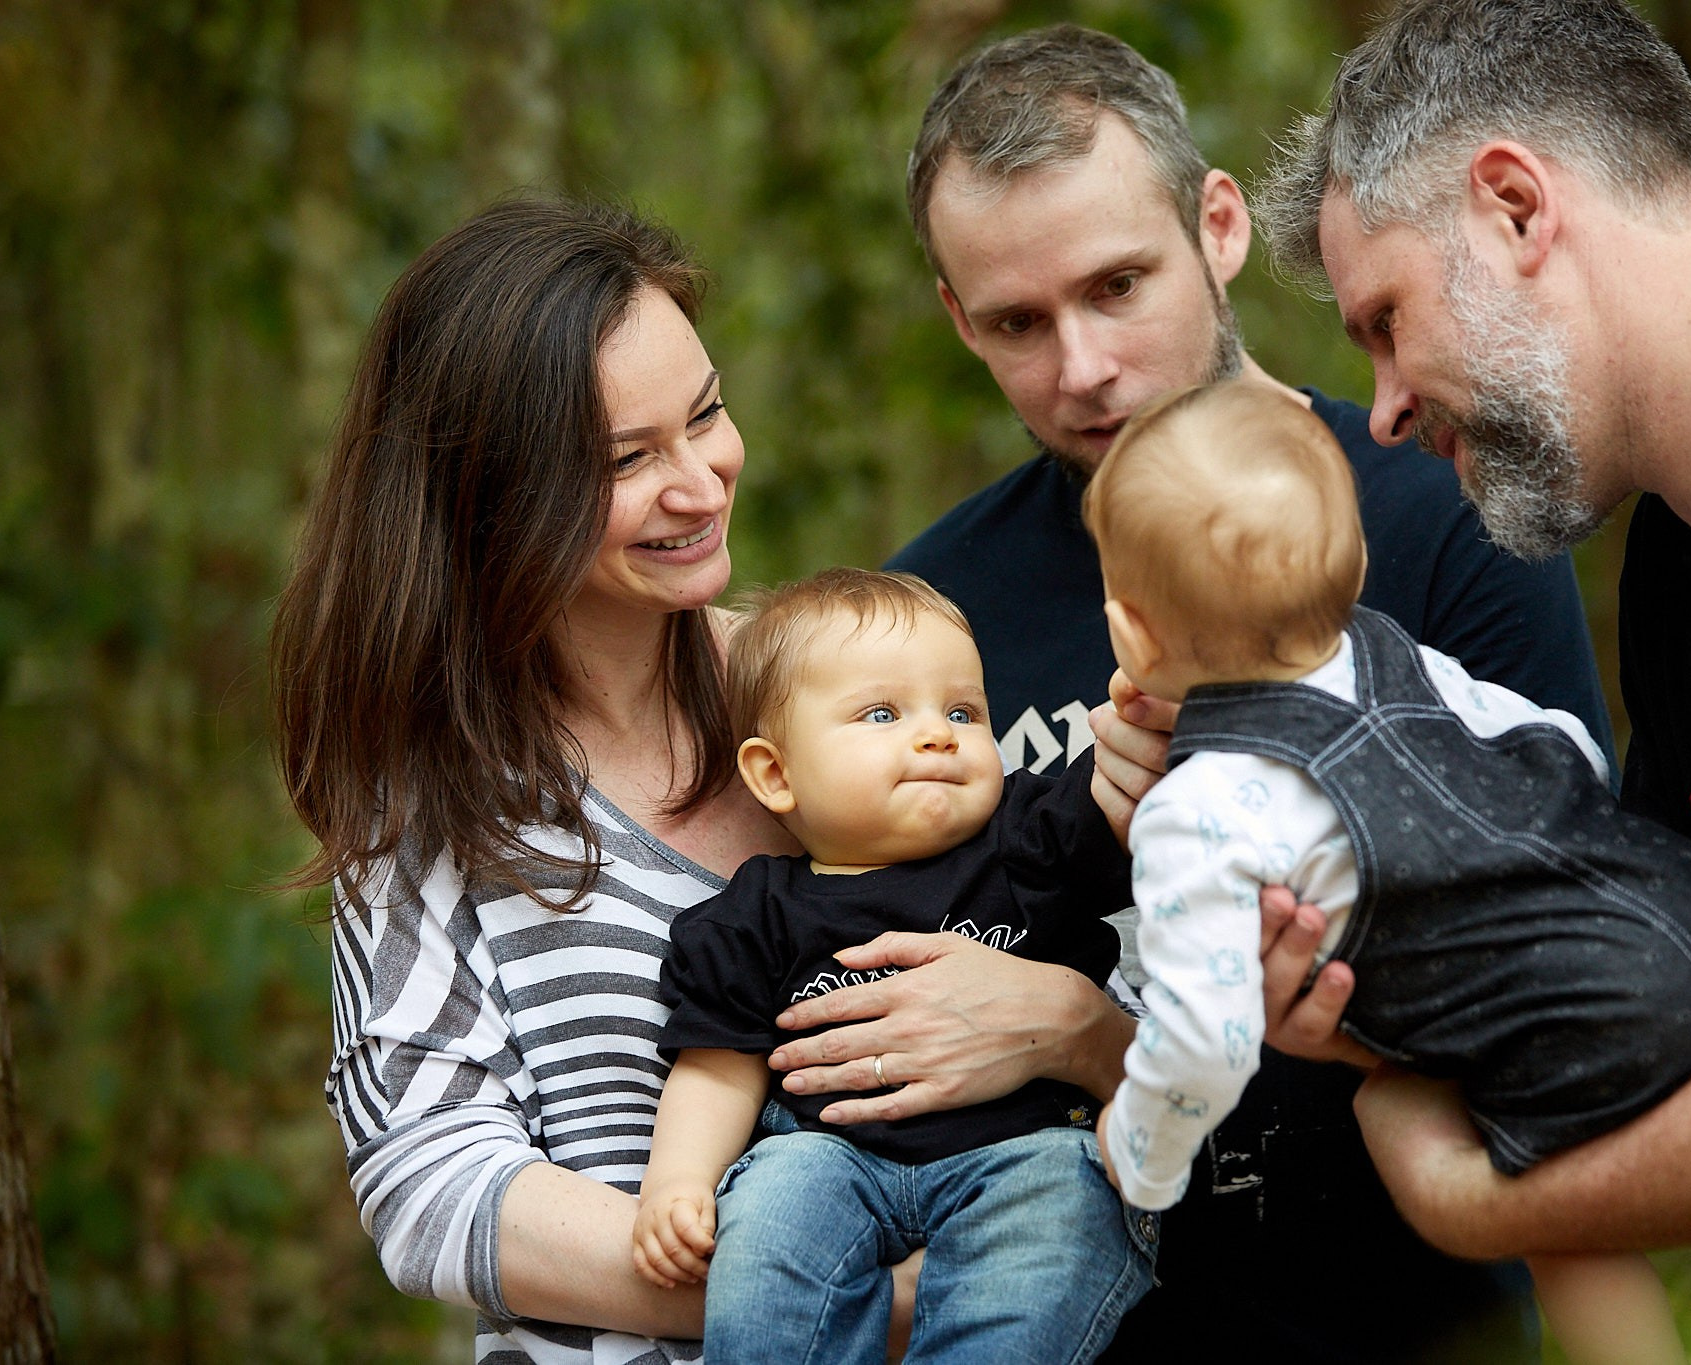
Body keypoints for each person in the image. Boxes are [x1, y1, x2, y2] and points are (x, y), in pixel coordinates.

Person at [763, 25, 1613, 1362]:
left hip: (1404, 1319)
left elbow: (1568, 969)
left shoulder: (1433, 512)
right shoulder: (933, 609)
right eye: (1016, 323)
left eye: (1118, 286)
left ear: (1217, 225)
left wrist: (1096, 1032)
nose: (1081, 366)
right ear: (955, 316)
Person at [273, 199, 1176, 1364]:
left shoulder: (850, 704)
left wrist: (1073, 1031)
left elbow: (1153, 1025)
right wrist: (850, 1303)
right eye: (627, 460)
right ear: (492, 499)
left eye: (703, 415)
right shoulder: (429, 802)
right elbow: (431, 1189)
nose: (699, 484)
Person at [1254, 0, 1691, 1353]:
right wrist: (1361, 1004)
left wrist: (1488, 1205)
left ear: (1517, 207)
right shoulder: (1685, 570)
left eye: (1387, 318)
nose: (1387, 405)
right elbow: (1670, 998)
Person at [1085, 378, 1691, 1363]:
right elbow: (1555, 739)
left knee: (1561, 1236)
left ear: (1132, 635)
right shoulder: (1397, 655)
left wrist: (1138, 1154)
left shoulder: (1192, 811)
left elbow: (1207, 1036)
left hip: (1571, 1024)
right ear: (1353, 565)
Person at [632, 567, 1153, 1364]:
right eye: (882, 713)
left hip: (1025, 1150)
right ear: (775, 773)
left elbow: (1122, 794)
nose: (938, 733)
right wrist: (677, 1182)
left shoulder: (1027, 838)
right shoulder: (757, 910)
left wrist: (1155, 713)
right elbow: (717, 1066)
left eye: (963, 710)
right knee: (768, 1206)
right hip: (831, 1155)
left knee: (1064, 1204)